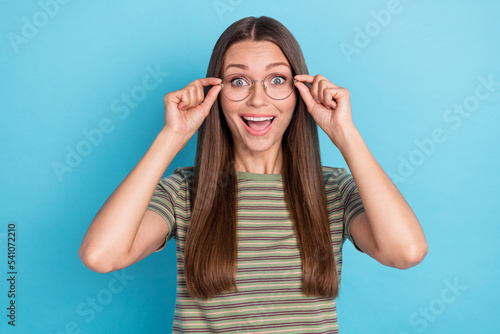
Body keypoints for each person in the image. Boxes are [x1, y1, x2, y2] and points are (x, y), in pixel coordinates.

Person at [79, 16, 427, 333]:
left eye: (277, 80)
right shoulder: (184, 192)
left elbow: (406, 252)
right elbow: (101, 256)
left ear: (300, 93)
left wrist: (345, 134)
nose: (258, 100)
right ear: (215, 94)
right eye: (238, 81)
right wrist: (171, 137)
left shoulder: (333, 189)